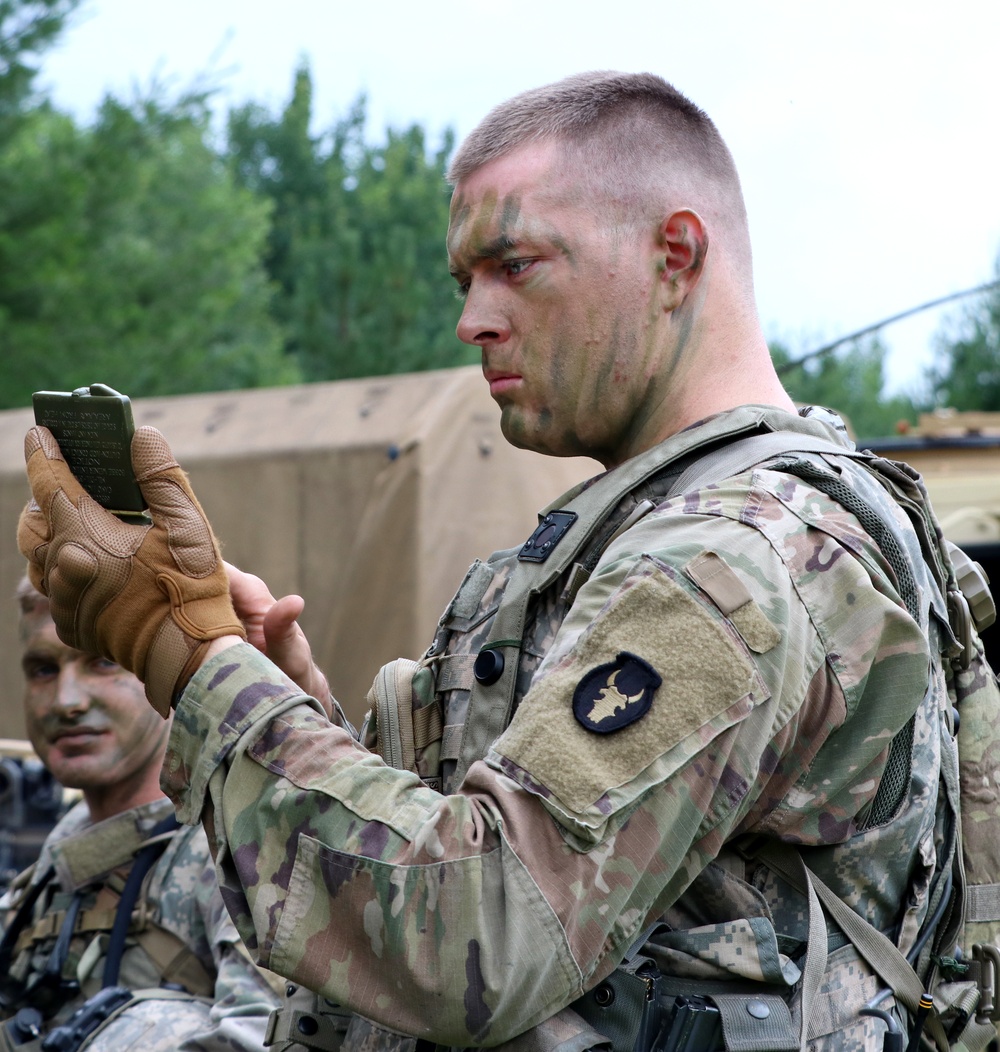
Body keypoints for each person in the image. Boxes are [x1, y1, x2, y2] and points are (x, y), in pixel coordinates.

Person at [16, 72, 998, 1050]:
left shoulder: (728, 556)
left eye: (515, 263)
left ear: (676, 254)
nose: (471, 319)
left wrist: (183, 656)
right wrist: (284, 708)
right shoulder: (728, 526)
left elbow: (477, 930)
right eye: (464, 280)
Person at [0, 579, 280, 1051]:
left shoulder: (236, 849)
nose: (67, 701)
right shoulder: (47, 875)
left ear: (169, 672)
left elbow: (265, 1038)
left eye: (104, 662)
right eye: (44, 669)